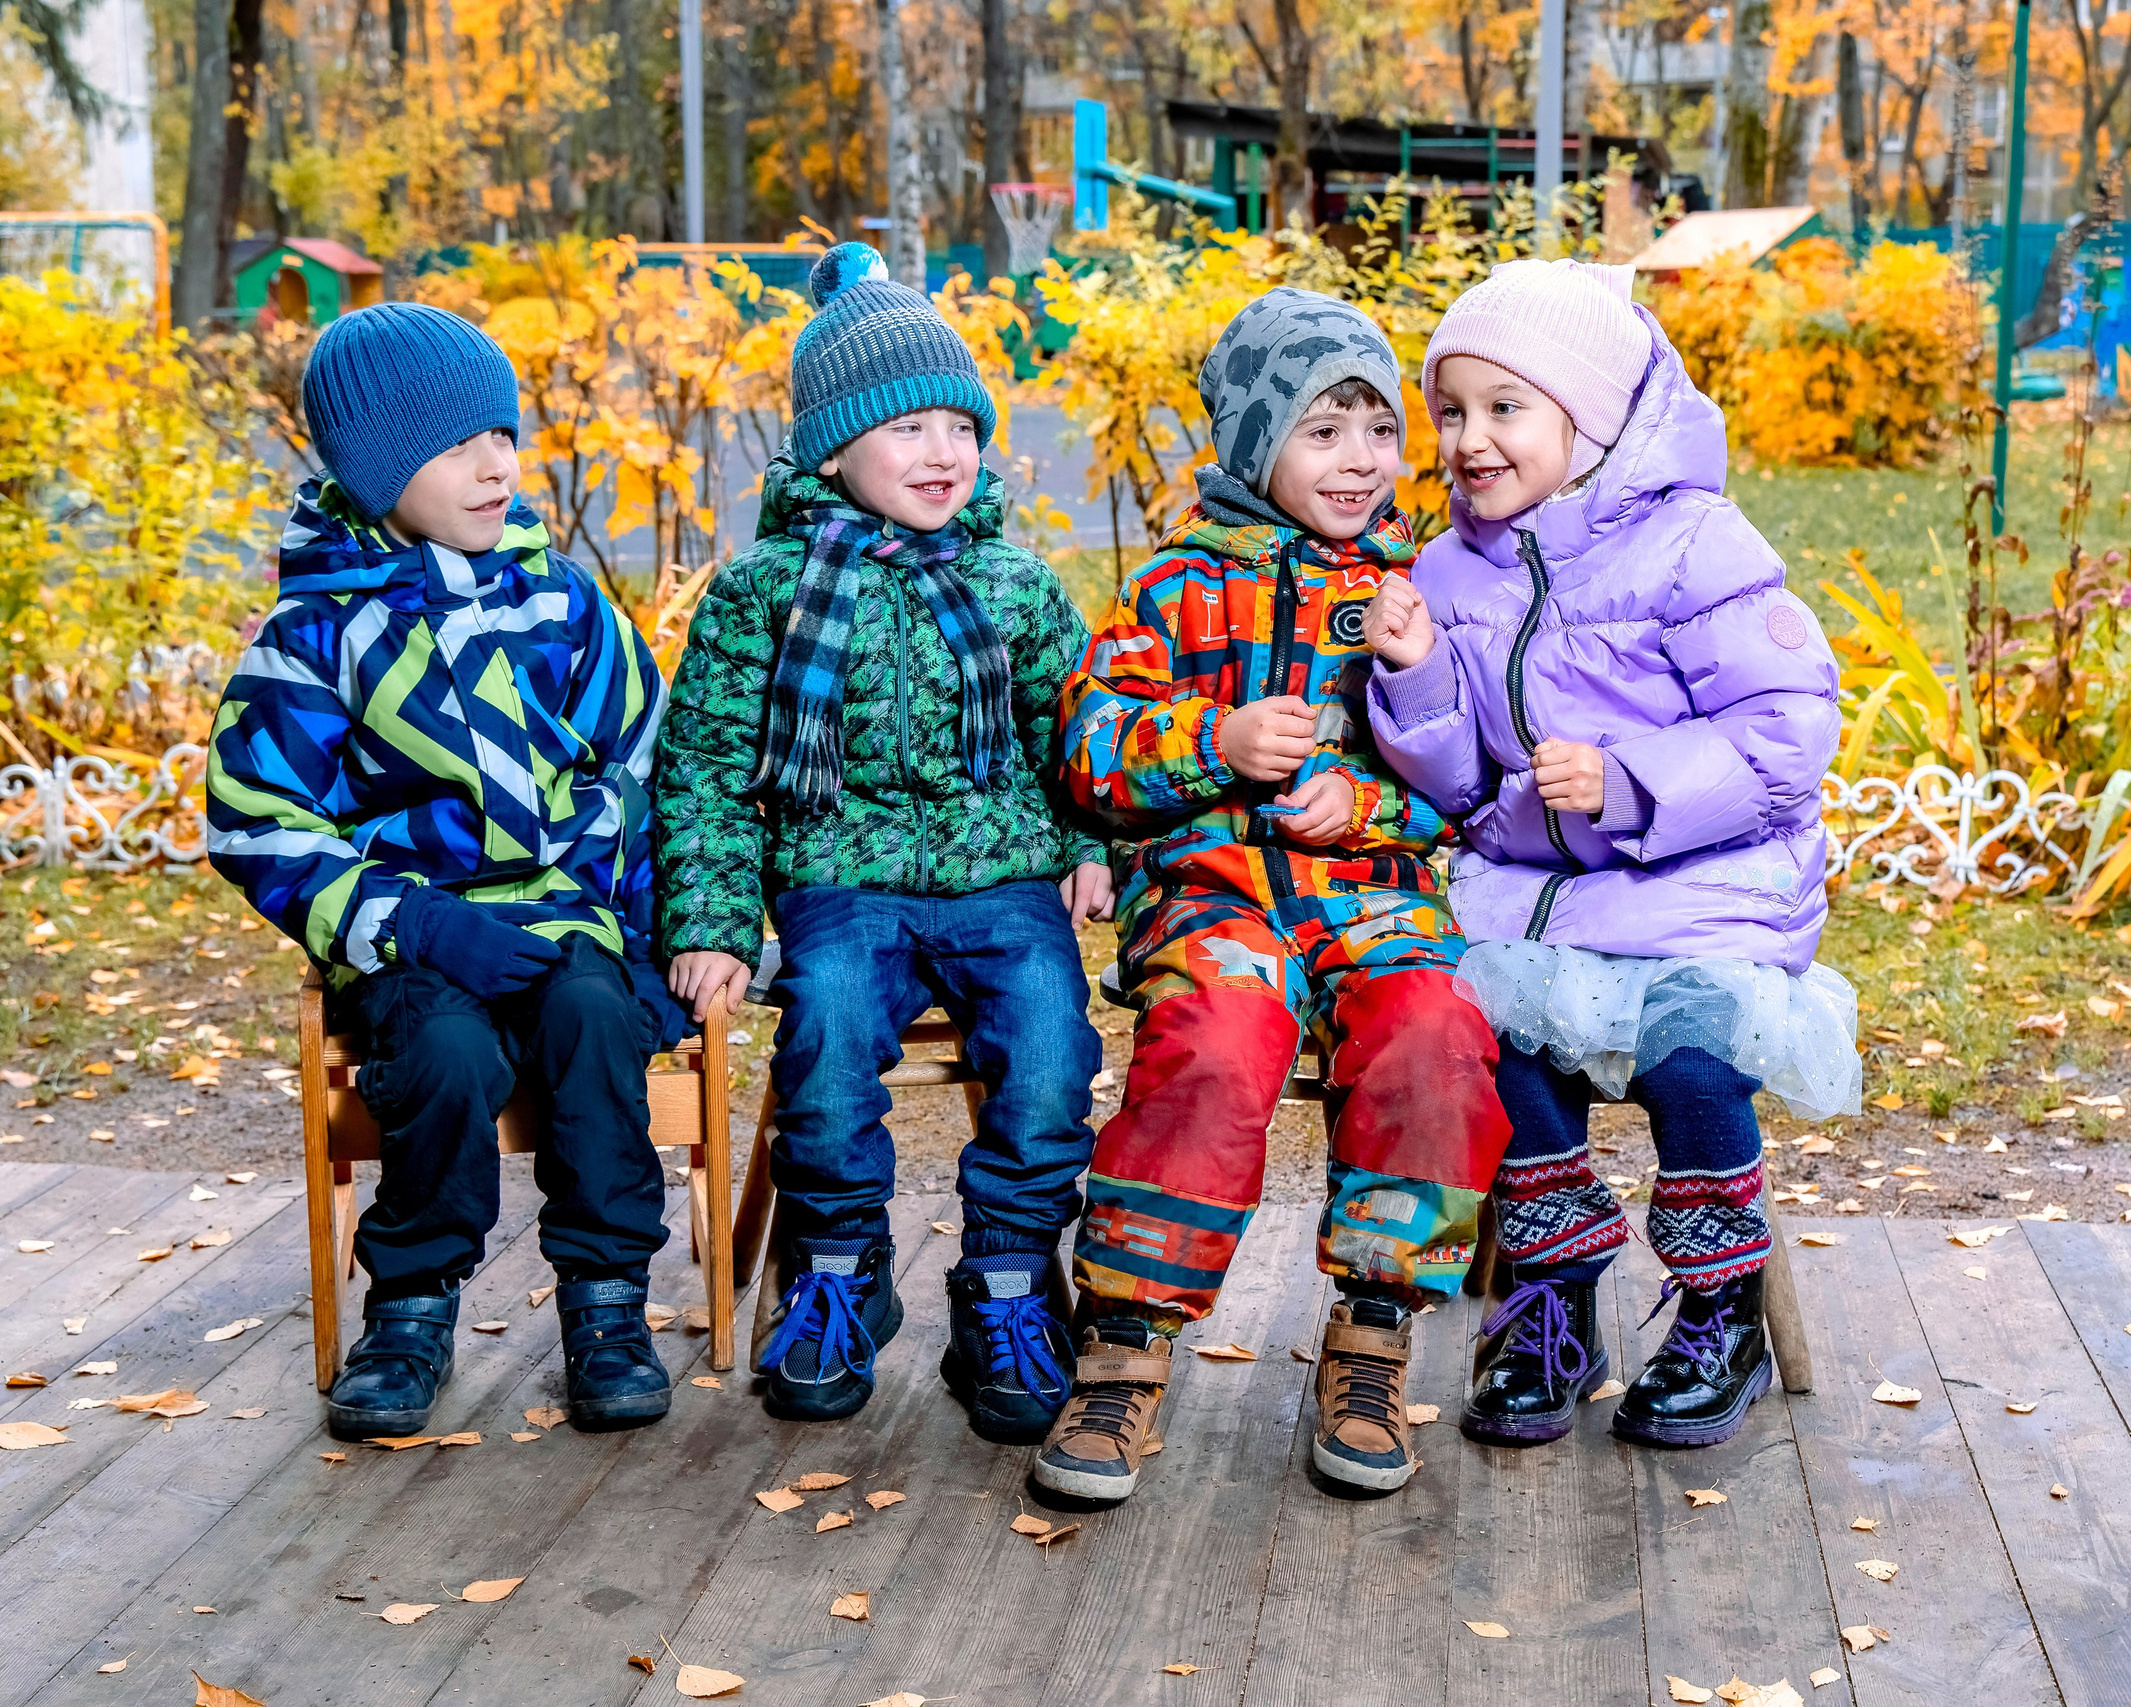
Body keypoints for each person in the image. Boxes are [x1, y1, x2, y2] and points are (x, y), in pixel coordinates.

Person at [1364, 258, 1857, 1452]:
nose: (1471, 441)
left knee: (1692, 1063)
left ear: (1590, 422)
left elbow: (1788, 733)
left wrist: (1635, 783)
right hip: (1538, 902)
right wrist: (1417, 676)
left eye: (1505, 408)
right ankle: (1553, 1304)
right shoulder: (1449, 567)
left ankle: (1715, 1310)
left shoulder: (1695, 547)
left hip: (1704, 895)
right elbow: (1464, 787)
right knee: (1502, 1057)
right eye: (1452, 411)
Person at [1033, 287, 1511, 1505]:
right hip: (1217, 895)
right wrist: (1215, 742)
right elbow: (1090, 748)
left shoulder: (1422, 585)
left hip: (1377, 892)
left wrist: (1369, 807)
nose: (1360, 460)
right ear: (1256, 445)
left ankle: (1373, 1328)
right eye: (1321, 430)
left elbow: (1474, 777)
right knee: (1213, 1040)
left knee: (1436, 1034)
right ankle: (1126, 1347)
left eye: (1377, 429)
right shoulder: (1177, 587)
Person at [208, 302, 691, 1441]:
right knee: (442, 1047)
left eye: (503, 436)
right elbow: (257, 816)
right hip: (419, 937)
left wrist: (655, 937)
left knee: (591, 1018)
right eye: (455, 445)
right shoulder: (316, 636)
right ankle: (413, 1306)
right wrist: (409, 923)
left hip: (573, 924)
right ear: (377, 471)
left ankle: (608, 1304)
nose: (495, 465)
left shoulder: (563, 604)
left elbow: (645, 769)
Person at [653, 243, 1111, 1443]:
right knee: (826, 1035)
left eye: (959, 425)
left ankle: (1007, 1279)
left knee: (1056, 1044)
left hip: (1002, 877)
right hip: (840, 882)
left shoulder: (1014, 584)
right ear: (834, 451)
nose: (942, 453)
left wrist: (1087, 839)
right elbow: (700, 765)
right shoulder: (764, 590)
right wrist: (708, 924)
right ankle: (839, 1267)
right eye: (907, 429)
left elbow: (1081, 730)